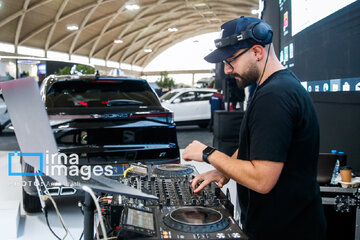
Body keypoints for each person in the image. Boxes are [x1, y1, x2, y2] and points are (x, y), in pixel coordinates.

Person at [182, 16, 326, 240]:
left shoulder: (274, 96)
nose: (227, 70)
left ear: (257, 52)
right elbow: (258, 147)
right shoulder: (276, 86)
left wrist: (208, 153)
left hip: (286, 231)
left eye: (231, 60)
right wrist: (224, 170)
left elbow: (262, 180)